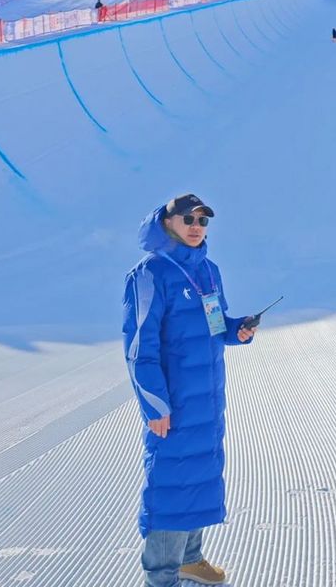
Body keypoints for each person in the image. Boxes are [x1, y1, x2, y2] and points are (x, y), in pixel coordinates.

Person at [123, 193, 257, 587]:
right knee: (171, 485)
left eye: (203, 221)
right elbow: (138, 349)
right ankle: (161, 576)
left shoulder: (208, 271)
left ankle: (190, 559)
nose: (196, 227)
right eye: (188, 219)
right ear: (167, 223)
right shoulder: (149, 274)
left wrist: (238, 330)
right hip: (174, 403)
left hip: (208, 398)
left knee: (198, 478)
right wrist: (155, 405)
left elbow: (216, 324)